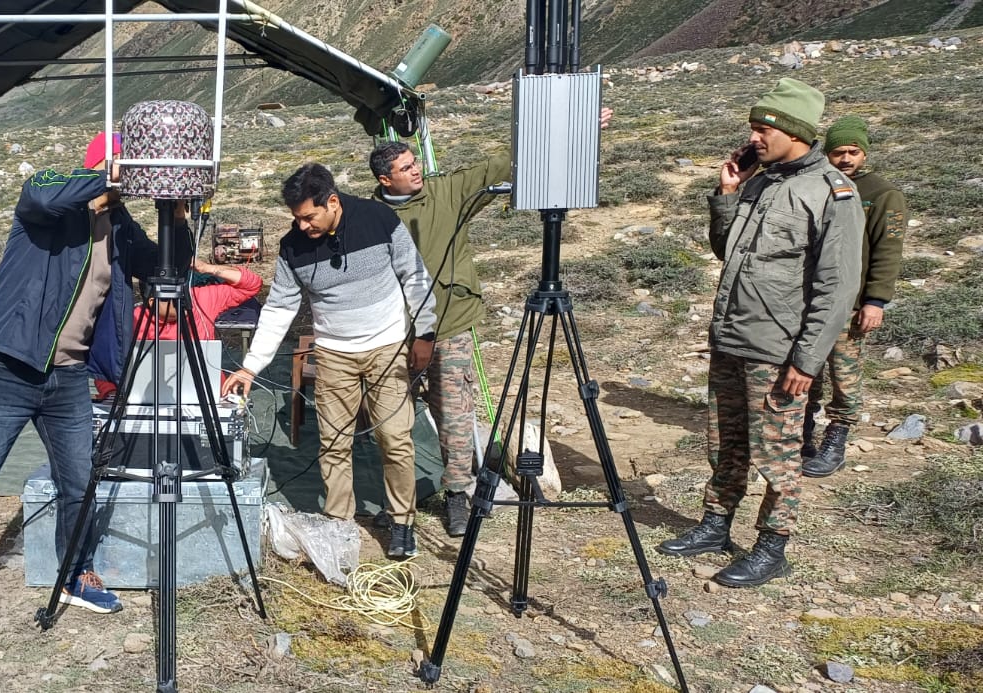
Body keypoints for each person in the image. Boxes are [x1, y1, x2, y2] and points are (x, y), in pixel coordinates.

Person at [0, 132, 169, 636]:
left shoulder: (119, 227)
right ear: (103, 168)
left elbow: (163, 266)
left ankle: (75, 574)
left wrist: (177, 210)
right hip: (9, 368)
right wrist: (111, 178)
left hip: (70, 377)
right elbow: (41, 193)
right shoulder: (48, 203)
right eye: (124, 169)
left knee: (79, 485)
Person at [655, 78, 864, 587]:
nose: (753, 140)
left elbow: (838, 289)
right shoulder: (762, 181)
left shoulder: (832, 193)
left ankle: (773, 546)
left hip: (778, 350)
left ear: (792, 131)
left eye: (761, 130)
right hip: (732, 338)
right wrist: (727, 192)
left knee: (778, 452)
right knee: (726, 442)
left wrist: (807, 361)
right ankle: (715, 524)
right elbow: (730, 252)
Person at [367, 107, 613, 537]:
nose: (417, 170)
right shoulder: (368, 216)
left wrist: (575, 128)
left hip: (450, 324)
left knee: (456, 415)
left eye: (415, 162)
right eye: (406, 168)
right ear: (386, 180)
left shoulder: (447, 191)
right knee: (392, 419)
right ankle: (398, 504)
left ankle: (458, 495)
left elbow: (505, 164)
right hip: (394, 333)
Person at [221, 163, 437, 558]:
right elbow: (279, 308)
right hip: (335, 354)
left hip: (387, 349)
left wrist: (425, 333)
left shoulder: (379, 219)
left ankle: (402, 522)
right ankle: (339, 525)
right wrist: (251, 365)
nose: (303, 226)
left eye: (309, 216)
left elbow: (415, 277)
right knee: (333, 443)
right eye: (296, 219)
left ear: (332, 201)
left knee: (395, 441)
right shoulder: (292, 248)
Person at [801, 116, 907, 478]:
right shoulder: (817, 185)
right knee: (805, 368)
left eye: (853, 151)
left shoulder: (881, 193)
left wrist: (876, 300)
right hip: (809, 300)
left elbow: (888, 251)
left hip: (852, 303)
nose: (845, 159)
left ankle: (837, 436)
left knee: (844, 373)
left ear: (864, 152)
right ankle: (802, 435)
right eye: (837, 152)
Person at [90, 258, 263, 400]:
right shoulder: (133, 318)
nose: (180, 302)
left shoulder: (200, 299)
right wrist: (111, 392)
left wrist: (207, 268)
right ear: (152, 302)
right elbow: (106, 358)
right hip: (145, 399)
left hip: (208, 395)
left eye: (182, 294)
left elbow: (252, 285)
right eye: (171, 298)